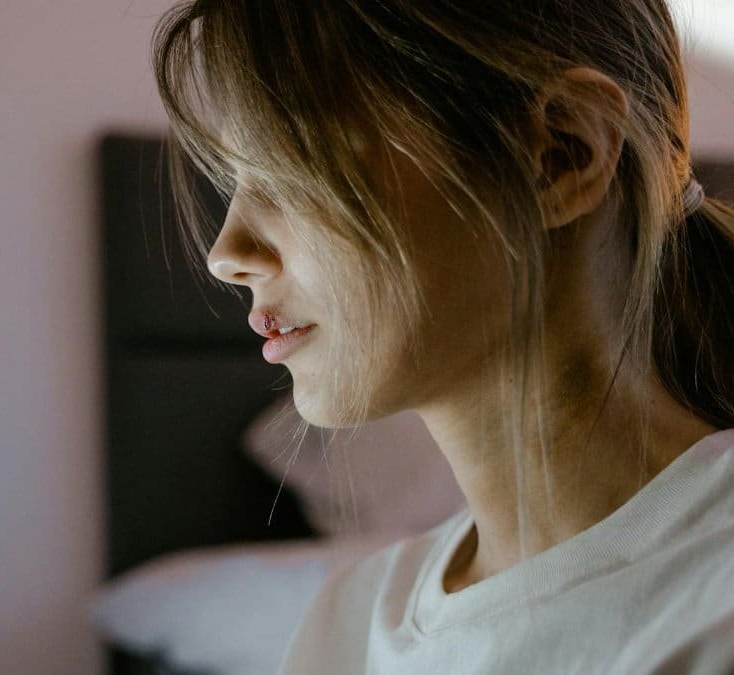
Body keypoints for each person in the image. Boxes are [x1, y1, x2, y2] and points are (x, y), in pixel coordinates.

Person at [152, 1, 734, 674]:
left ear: (560, 153)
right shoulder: (350, 623)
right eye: (235, 180)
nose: (226, 254)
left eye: (291, 167)